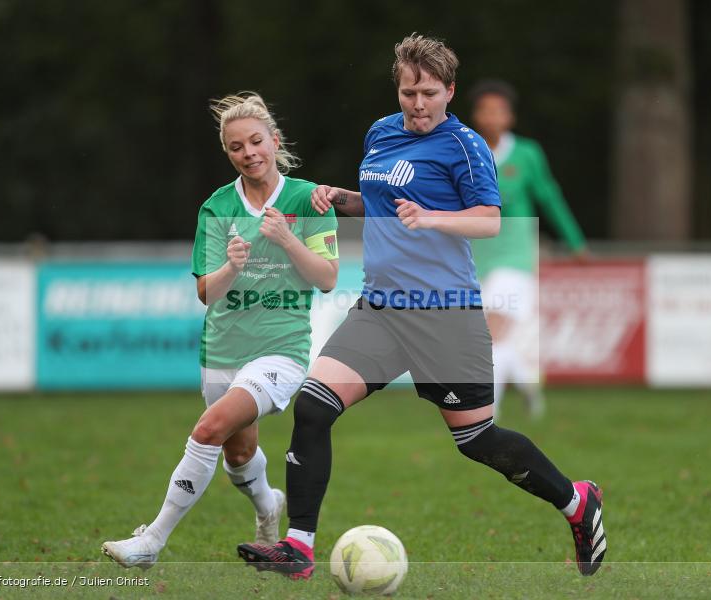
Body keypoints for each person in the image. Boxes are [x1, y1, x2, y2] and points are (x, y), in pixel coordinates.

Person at [236, 34, 606, 579]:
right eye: (410, 92)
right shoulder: (381, 133)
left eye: (430, 93)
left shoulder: (465, 146)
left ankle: (577, 502)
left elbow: (489, 219)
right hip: (381, 308)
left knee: (478, 439)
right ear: (399, 89)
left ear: (449, 91)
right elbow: (383, 204)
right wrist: (342, 199)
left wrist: (429, 217)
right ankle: (299, 546)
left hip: (444, 314)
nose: (418, 103)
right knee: (314, 405)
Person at [101, 93, 339, 569]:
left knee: (208, 428)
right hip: (222, 349)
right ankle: (269, 506)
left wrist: (288, 239)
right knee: (238, 452)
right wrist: (232, 267)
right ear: (227, 153)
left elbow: (327, 278)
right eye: (236, 147)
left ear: (275, 140)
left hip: (281, 349)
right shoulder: (216, 206)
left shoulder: (307, 198)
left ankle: (152, 540)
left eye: (256, 141)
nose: (249, 153)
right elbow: (207, 292)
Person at [468, 79, 588, 420]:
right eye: (485, 110)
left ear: (510, 117)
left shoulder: (527, 154)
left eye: (499, 110)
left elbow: (550, 197)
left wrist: (575, 242)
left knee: (493, 330)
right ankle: (528, 382)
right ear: (476, 116)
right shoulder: (465, 152)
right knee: (492, 336)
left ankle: (486, 413)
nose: (491, 116)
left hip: (516, 255)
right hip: (477, 255)